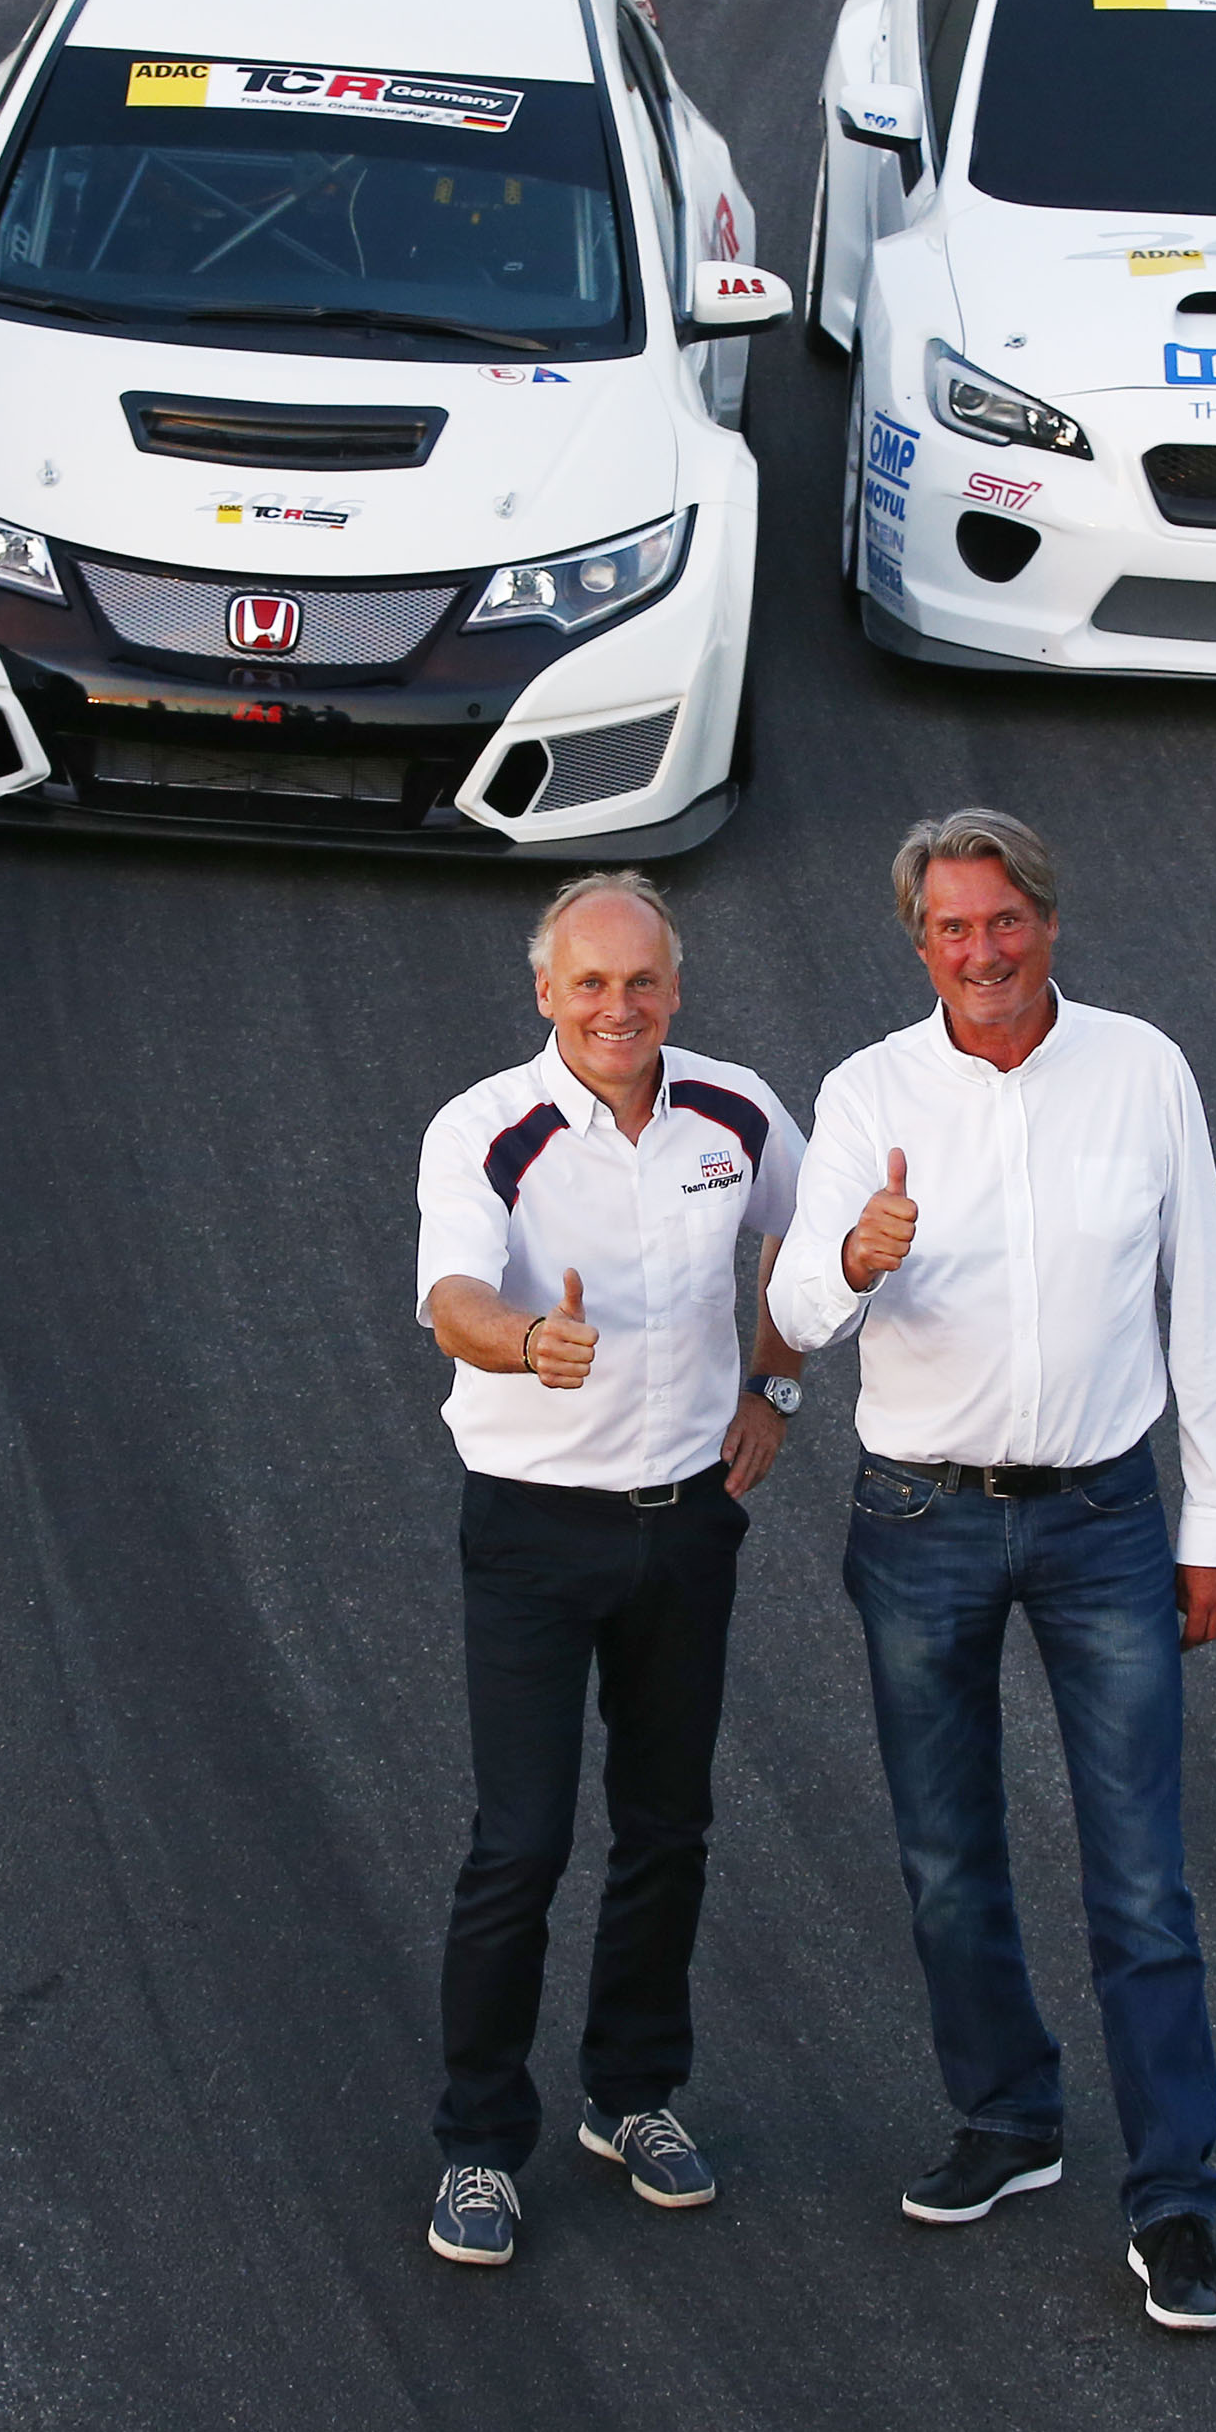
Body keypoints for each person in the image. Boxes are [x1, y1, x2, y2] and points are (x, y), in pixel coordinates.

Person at [769, 808, 1216, 2335]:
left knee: (1142, 1879)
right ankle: (1008, 2116)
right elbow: (799, 1309)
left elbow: (1202, 1297)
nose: (980, 952)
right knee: (946, 1854)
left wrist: (1215, 1518)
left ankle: (1174, 2199)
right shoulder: (868, 1094)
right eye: (951, 929)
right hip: (922, 1519)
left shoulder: (1142, 1070)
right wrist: (857, 1255)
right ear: (917, 943)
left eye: (1003, 921)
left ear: (1046, 920)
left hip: (1107, 1518)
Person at [408, 870, 808, 2267]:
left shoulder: (736, 1110)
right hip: (532, 1530)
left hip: (686, 1522)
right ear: (546, 993)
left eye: (641, 982)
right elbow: (451, 1299)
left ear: (676, 990)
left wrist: (776, 1386)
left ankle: (632, 2097)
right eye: (590, 983)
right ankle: (478, 2145)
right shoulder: (483, 1129)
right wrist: (528, 1342)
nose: (617, 1007)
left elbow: (810, 1242)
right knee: (521, 1842)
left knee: (668, 1824)